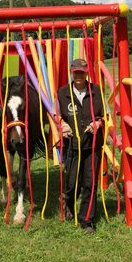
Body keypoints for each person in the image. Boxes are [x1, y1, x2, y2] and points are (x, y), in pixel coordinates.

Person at [57, 58, 105, 234]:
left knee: (90, 182)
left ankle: (87, 220)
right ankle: (68, 204)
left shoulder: (97, 91)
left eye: (82, 72)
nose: (78, 75)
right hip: (72, 145)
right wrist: (62, 124)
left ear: (87, 73)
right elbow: (56, 115)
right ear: (71, 72)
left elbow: (103, 115)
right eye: (76, 72)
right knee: (71, 182)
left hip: (92, 145)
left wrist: (97, 124)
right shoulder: (62, 93)